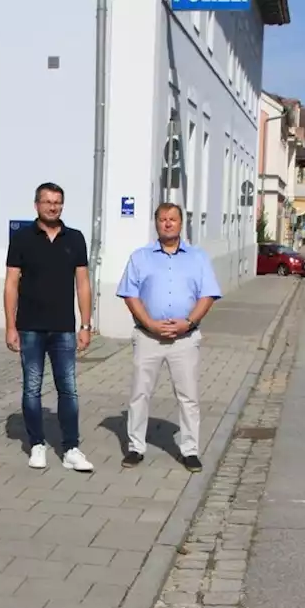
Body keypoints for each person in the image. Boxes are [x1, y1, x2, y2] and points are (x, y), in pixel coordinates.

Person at [115, 202, 222, 472]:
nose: (167, 223)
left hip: (184, 339)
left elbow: (207, 295)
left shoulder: (197, 258)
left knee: (188, 396)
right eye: (162, 219)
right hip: (148, 337)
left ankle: (190, 450)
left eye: (172, 219)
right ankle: (135, 447)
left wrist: (189, 322)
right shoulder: (140, 257)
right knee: (140, 393)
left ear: (180, 223)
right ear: (156, 223)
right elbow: (130, 294)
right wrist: (149, 323)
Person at [4, 182, 95, 472]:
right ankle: (37, 444)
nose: (53, 207)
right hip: (30, 327)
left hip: (64, 328)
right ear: (36, 205)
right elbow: (11, 283)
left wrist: (85, 324)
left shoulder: (76, 238)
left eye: (58, 202)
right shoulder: (22, 238)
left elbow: (82, 283)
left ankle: (71, 448)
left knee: (68, 389)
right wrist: (9, 325)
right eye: (47, 202)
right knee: (32, 389)